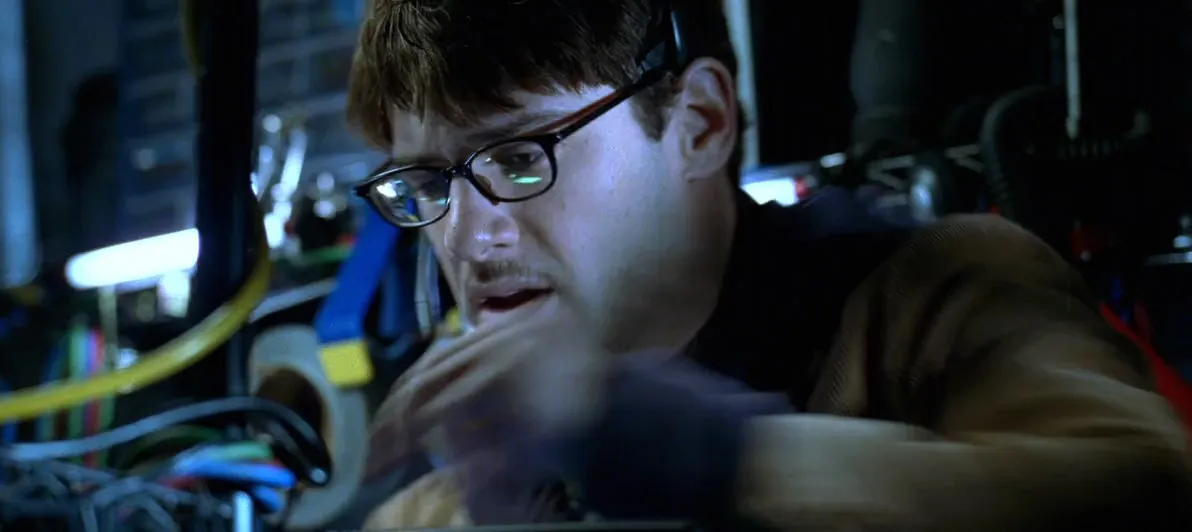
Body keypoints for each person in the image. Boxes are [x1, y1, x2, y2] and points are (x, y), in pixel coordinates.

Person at [344, 1, 1192, 529]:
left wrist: (705, 458)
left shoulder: (934, 295)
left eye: (519, 159)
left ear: (700, 123)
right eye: (427, 184)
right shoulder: (452, 495)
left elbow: (1143, 491)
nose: (466, 239)